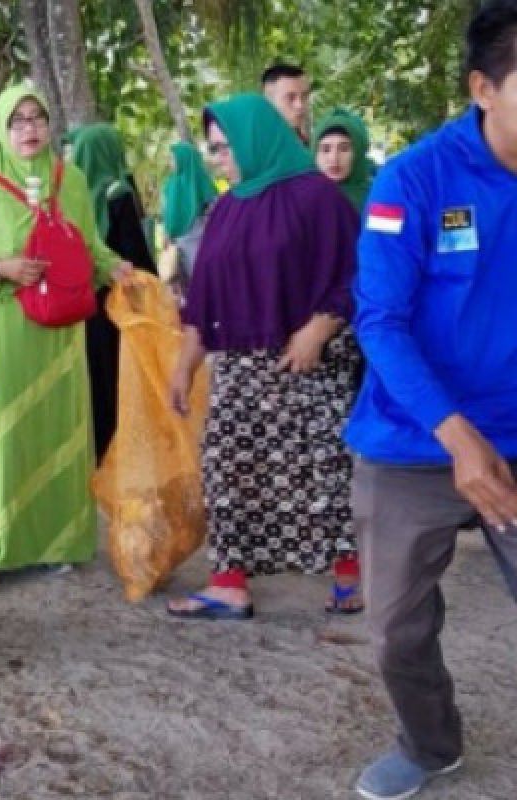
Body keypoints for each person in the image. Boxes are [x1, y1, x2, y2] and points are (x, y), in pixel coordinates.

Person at [345, 3, 517, 797]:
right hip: (414, 436)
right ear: (484, 87)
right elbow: (379, 321)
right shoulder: (413, 180)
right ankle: (429, 743)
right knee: (394, 630)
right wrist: (458, 437)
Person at [166, 94, 363, 619]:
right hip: (238, 370)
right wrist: (184, 366)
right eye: (212, 149)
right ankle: (229, 585)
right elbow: (203, 297)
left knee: (323, 471)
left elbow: (357, 273)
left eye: (226, 147)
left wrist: (319, 329)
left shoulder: (319, 198)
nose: (219, 158)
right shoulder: (226, 210)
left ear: (257, 139)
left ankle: (351, 575)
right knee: (227, 471)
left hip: (306, 366)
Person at [0, 84, 122, 594]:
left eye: (37, 117)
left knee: (58, 431)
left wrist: (118, 268)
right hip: (4, 329)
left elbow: (89, 248)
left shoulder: (72, 181)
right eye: (17, 120)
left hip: (62, 328)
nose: (29, 129)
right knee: (2, 437)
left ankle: (53, 543)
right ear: (2, 130)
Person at [69, 123, 156, 460]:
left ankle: (100, 451)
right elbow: (135, 255)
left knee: (94, 378)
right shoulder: (118, 193)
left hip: (83, 304)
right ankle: (123, 455)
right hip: (118, 303)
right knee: (119, 378)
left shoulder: (72, 197)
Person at [161, 141, 219, 295]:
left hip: (199, 236)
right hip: (177, 241)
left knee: (204, 277)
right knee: (186, 281)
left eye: (173, 159)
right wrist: (166, 232)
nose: (171, 163)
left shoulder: (200, 180)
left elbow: (216, 207)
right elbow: (167, 212)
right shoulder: (170, 185)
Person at [313, 107, 373, 212]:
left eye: (344, 149)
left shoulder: (381, 197)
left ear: (358, 153)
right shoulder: (302, 199)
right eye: (326, 149)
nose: (334, 158)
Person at [261, 62, 312, 144]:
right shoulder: (249, 147)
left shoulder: (312, 148)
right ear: (268, 101)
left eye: (304, 96)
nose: (300, 105)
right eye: (290, 98)